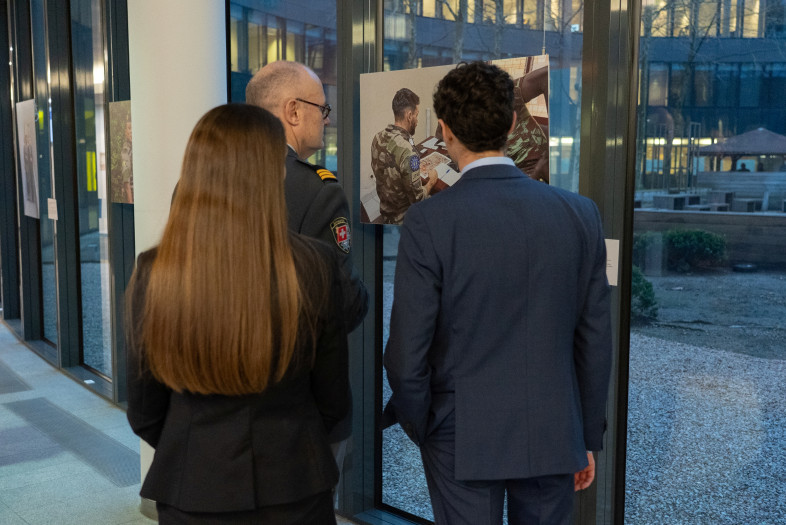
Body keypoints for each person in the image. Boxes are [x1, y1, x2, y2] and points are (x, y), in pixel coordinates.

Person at [383, 62, 613, 525]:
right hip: (552, 431)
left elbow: (407, 352)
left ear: (444, 131)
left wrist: (423, 425)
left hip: (459, 434)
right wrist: (585, 435)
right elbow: (594, 340)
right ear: (512, 123)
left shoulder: (429, 222)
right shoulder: (580, 214)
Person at [126, 104, 349, 524]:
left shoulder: (157, 270)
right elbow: (333, 398)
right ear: (270, 175)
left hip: (193, 488)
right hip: (296, 483)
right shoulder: (315, 264)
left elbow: (144, 409)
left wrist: (194, 450)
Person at [245, 60, 367, 501]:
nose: (327, 118)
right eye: (323, 108)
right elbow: (339, 305)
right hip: (295, 414)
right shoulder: (318, 190)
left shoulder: (207, 181)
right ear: (293, 111)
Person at [371, 88, 438, 224]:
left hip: (385, 211)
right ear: (409, 116)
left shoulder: (377, 138)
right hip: (403, 220)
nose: (417, 121)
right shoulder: (408, 152)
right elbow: (417, 200)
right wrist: (431, 181)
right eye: (416, 115)